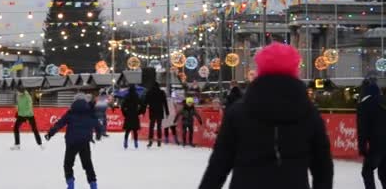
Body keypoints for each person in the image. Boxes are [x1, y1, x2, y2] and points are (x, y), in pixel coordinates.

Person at [198, 42, 333, 189]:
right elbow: (323, 166)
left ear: (260, 69)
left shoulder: (239, 112)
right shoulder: (308, 113)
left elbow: (219, 163)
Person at [45, 95, 101, 189]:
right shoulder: (89, 112)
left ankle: (70, 185)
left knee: (68, 164)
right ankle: (93, 185)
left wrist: (50, 133)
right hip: (84, 142)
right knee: (88, 165)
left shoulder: (70, 112)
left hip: (72, 142)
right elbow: (97, 124)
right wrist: (98, 135)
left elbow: (60, 124)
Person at [357, 78, 386, 189]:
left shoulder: (364, 105)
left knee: (367, 171)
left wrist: (362, 148)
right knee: (384, 173)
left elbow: (362, 129)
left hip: (377, 145)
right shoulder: (383, 101)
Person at [11, 85, 43, 150]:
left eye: (18, 92)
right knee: (15, 128)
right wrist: (17, 108)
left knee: (34, 129)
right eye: (17, 92)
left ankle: (40, 144)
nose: (17, 93)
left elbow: (29, 108)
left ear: (22, 92)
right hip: (21, 115)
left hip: (29, 115)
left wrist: (26, 116)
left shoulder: (28, 97)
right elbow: (19, 104)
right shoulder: (18, 96)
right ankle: (17, 145)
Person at [144, 81, 169, 147]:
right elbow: (165, 103)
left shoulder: (149, 92)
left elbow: (145, 102)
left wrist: (143, 110)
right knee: (159, 126)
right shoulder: (161, 92)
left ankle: (150, 141)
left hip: (152, 111)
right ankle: (159, 141)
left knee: (151, 126)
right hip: (160, 111)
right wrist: (167, 112)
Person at [121, 84, 143, 149]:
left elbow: (122, 106)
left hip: (128, 114)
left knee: (127, 130)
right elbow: (141, 104)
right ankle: (136, 142)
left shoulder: (126, 96)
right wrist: (139, 112)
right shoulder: (137, 96)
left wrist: (125, 113)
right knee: (135, 130)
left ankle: (125, 141)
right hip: (135, 114)